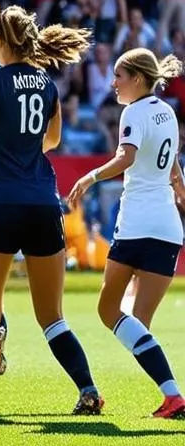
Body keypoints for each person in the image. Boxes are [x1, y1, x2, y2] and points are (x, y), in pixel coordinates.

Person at [0, 0, 104, 415]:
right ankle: (88, 389)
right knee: (53, 317)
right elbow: (53, 139)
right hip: (43, 204)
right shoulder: (47, 84)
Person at [67, 49, 185, 419]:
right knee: (138, 322)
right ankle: (171, 397)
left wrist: (89, 176)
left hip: (137, 223)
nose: (113, 83)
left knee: (107, 308)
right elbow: (173, 166)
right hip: (168, 228)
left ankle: (174, 393)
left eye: (119, 76)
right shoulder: (167, 111)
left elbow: (126, 157)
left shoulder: (133, 112)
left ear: (137, 78)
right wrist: (181, 188)